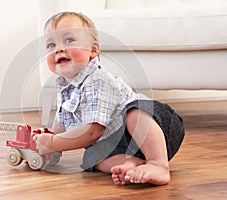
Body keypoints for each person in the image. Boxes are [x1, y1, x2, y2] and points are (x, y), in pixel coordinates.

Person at [33, 11, 185, 186]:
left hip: (156, 127)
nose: (59, 49)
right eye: (51, 45)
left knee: (134, 112)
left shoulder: (97, 79)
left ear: (93, 50)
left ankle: (158, 163)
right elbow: (61, 125)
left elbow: (92, 131)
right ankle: (133, 164)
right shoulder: (64, 87)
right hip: (119, 142)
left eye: (69, 40)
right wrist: (46, 142)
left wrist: (54, 143)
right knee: (92, 158)